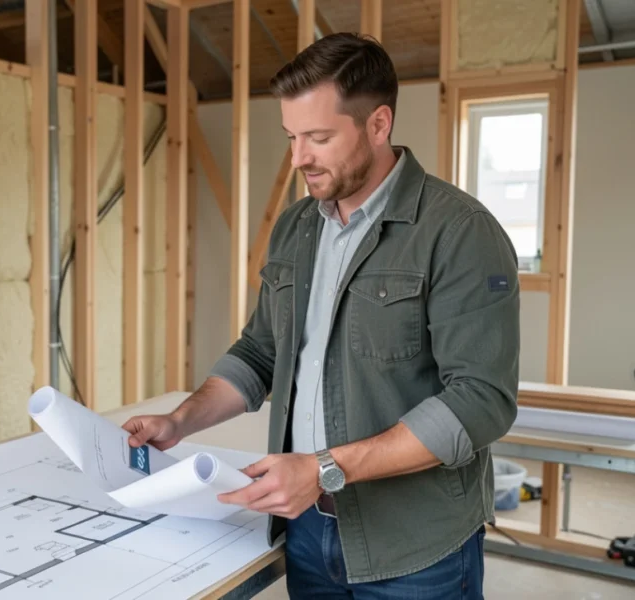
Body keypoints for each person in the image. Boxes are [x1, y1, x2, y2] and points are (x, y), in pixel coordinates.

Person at [122, 32, 519, 598]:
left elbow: (481, 401)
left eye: (318, 137)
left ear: (378, 125)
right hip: (307, 531)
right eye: (291, 136)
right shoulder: (296, 226)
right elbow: (260, 351)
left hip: (414, 545)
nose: (298, 157)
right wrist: (181, 421)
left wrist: (326, 468)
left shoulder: (457, 231)